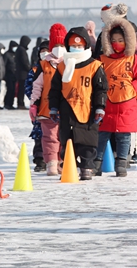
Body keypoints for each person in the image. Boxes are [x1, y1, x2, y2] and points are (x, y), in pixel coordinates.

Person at [49, 26, 108, 180]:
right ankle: (70, 166)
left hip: (88, 110)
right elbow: (54, 89)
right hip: (67, 109)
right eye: (73, 46)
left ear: (85, 46)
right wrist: (53, 108)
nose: (76, 49)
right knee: (67, 140)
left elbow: (101, 89)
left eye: (79, 46)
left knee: (87, 141)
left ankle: (87, 167)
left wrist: (100, 107)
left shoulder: (95, 66)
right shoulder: (62, 66)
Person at [94, 17, 137, 177]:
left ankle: (121, 164)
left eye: (120, 40)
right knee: (102, 134)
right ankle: (96, 163)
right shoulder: (102, 60)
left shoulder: (132, 59)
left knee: (124, 136)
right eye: (113, 40)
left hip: (127, 102)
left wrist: (132, 89)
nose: (117, 43)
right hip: (106, 102)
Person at [30, 23, 67, 175]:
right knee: (50, 137)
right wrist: (33, 104)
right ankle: (51, 163)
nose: (58, 48)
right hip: (46, 107)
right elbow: (37, 86)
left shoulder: (71, 62)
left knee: (64, 137)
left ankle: (64, 162)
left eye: (61, 44)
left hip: (67, 108)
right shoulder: (44, 64)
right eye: (55, 44)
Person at [25, 38, 50, 172]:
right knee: (39, 134)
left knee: (53, 135)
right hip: (39, 107)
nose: (45, 53)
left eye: (47, 50)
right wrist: (35, 100)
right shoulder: (34, 70)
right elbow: (28, 87)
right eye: (42, 51)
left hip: (52, 106)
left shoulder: (56, 67)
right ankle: (40, 160)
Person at [15, 35, 31, 109]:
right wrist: (29, 69)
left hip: (20, 73)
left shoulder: (19, 49)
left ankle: (20, 103)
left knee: (21, 90)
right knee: (21, 90)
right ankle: (21, 103)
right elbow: (25, 62)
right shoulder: (22, 50)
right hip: (23, 74)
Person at [3, 40, 18, 109]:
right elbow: (4, 65)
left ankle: (11, 104)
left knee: (13, 90)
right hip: (8, 75)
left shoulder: (15, 54)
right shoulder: (7, 54)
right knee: (9, 89)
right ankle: (7, 104)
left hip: (14, 75)